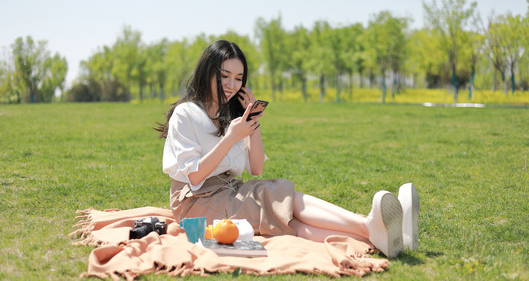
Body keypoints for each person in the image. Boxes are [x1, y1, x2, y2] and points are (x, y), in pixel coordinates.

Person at [156, 40, 419, 258]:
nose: (231, 85)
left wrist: (252, 125)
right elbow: (194, 176)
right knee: (275, 197)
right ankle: (370, 225)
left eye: (238, 78)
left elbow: (256, 168)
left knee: (285, 220)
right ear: (207, 73)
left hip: (229, 190)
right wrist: (231, 137)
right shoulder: (186, 114)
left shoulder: (231, 116)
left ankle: (378, 237)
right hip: (195, 203)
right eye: (224, 76)